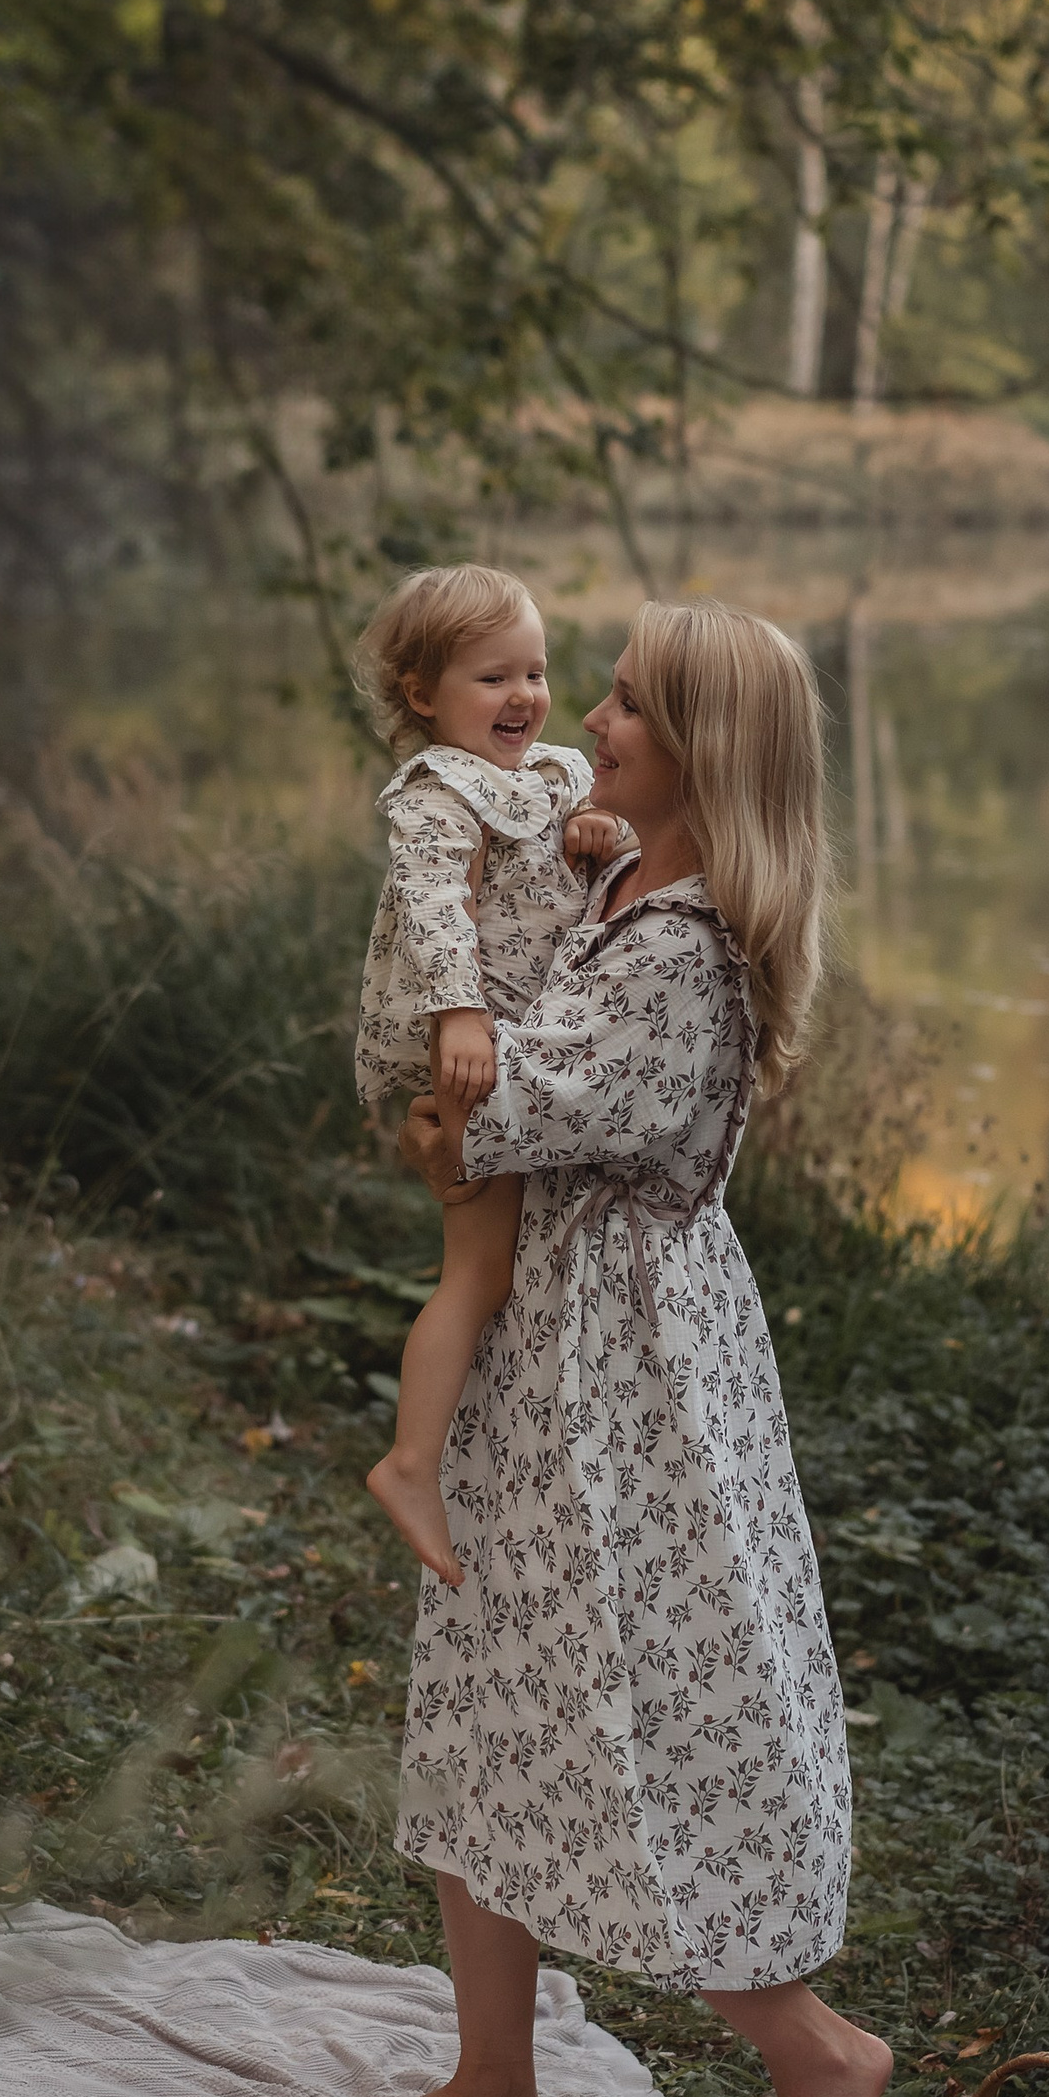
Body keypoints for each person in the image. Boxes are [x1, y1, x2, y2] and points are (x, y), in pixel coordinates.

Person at [316, 598, 890, 2097]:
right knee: (494, 1696)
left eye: (632, 705)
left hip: (623, 1397)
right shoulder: (622, 875)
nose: (596, 722)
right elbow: (468, 1101)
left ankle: (818, 2049)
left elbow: (474, 1124)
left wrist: (441, 1088)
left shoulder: (682, 952)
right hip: (546, 1365)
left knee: (634, 1726)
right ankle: (494, 2077)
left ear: (703, 751)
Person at [351, 566, 623, 1590]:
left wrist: (598, 833)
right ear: (423, 693)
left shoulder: (551, 775)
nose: (524, 695)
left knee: (506, 1269)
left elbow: (595, 859)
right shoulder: (435, 790)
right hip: (474, 1042)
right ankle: (411, 1462)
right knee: (477, 1268)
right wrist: (458, 1012)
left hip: (517, 1043)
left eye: (537, 671)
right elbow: (432, 910)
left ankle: (464, 1452)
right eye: (491, 676)